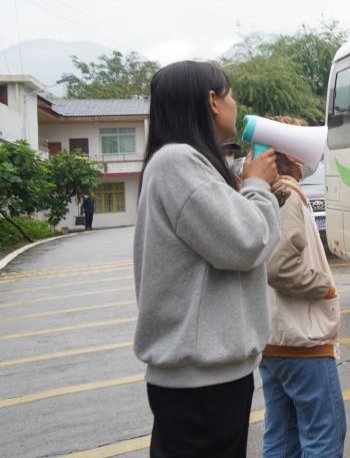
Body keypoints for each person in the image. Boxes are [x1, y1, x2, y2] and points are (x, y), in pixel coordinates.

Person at [133, 61, 281, 458]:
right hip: (201, 386)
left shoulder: (179, 162)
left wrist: (256, 189)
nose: (235, 104)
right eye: (230, 95)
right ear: (212, 101)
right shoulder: (177, 162)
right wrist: (257, 184)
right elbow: (247, 242)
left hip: (206, 380)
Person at [259, 117, 346, 458]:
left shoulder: (265, 193)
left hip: (273, 340)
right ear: (292, 157)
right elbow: (279, 267)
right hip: (302, 342)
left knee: (282, 437)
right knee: (325, 434)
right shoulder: (290, 195)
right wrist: (325, 287)